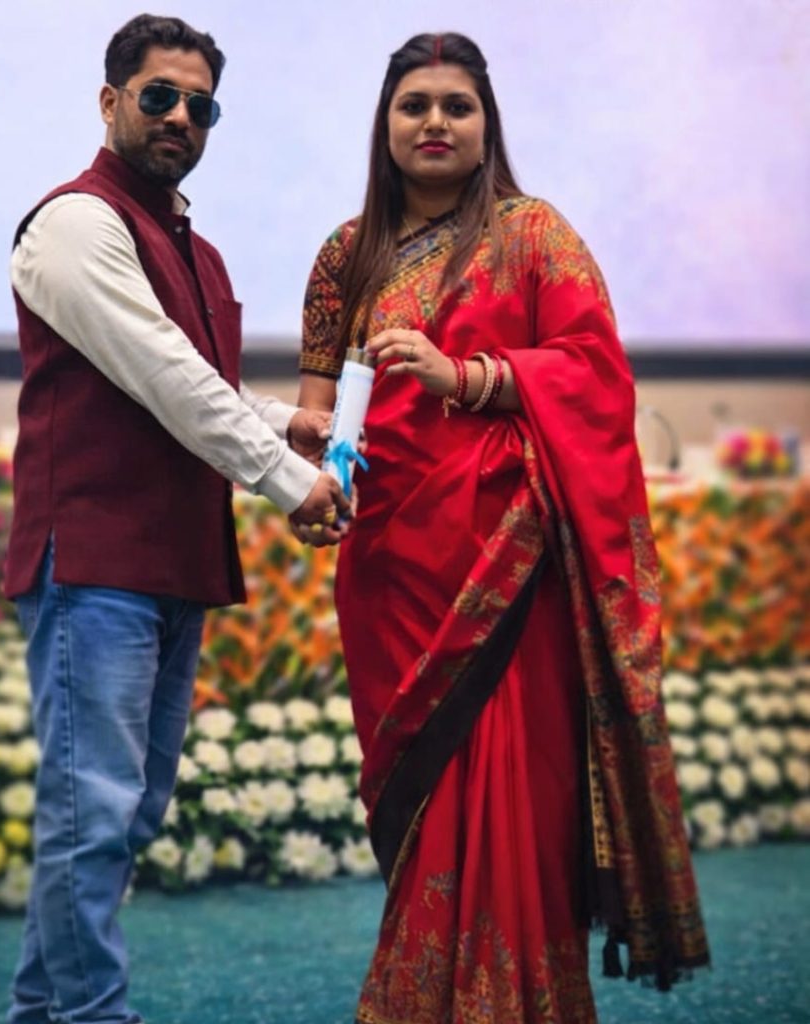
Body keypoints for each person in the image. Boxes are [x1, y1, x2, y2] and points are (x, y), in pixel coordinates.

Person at [298, 31, 710, 1023]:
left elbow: (597, 377)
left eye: (457, 105)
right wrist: (306, 480)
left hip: (508, 568)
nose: (435, 122)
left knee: (509, 792)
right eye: (414, 105)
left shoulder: (536, 237)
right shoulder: (346, 256)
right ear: (384, 123)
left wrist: (464, 376)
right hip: (391, 568)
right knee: (423, 792)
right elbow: (322, 410)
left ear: (488, 124)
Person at [4, 14, 347, 1024]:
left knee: (123, 813)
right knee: (94, 816)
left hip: (167, 563)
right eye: (159, 96)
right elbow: (166, 377)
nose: (180, 118)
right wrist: (287, 479)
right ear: (110, 101)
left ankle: (41, 1013)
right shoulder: (75, 223)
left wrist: (290, 425)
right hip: (94, 562)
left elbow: (203, 388)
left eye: (201, 106)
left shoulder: (194, 246)